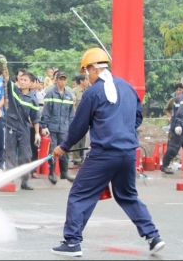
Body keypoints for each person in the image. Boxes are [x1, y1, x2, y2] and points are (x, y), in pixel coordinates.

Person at [50, 48, 165, 257]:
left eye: (87, 71)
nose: (86, 76)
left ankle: (72, 242)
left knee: (80, 194)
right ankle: (153, 236)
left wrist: (64, 146)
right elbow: (138, 117)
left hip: (103, 155)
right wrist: (122, 129)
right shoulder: (127, 87)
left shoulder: (92, 93)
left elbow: (79, 126)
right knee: (128, 196)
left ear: (94, 68)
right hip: (128, 153)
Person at [0, 55, 40, 190]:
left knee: (26, 155)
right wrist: (5, 65)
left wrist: (37, 134)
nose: (22, 81)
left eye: (25, 80)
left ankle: (25, 181)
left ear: (31, 83)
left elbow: (35, 118)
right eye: (21, 79)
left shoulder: (33, 100)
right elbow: (7, 78)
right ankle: (10, 181)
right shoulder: (13, 91)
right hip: (10, 125)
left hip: (24, 128)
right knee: (9, 153)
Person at [41, 71, 75, 184]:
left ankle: (64, 172)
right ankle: (52, 173)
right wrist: (44, 126)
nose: (63, 81)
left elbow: (71, 114)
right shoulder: (50, 93)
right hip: (52, 127)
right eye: (61, 79)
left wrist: (71, 127)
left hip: (64, 128)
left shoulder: (69, 95)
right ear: (56, 80)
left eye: (64, 79)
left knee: (65, 149)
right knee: (52, 150)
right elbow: (46, 111)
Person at [160, 83, 183, 175]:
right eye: (177, 90)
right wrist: (171, 118)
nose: (179, 91)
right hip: (176, 126)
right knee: (173, 147)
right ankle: (165, 165)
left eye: (181, 89)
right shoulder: (174, 100)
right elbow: (167, 110)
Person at [70, 74, 89, 165]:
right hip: (76, 118)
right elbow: (72, 106)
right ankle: (76, 158)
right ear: (81, 81)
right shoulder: (73, 91)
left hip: (85, 118)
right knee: (76, 140)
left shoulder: (88, 92)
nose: (87, 81)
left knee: (84, 139)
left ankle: (82, 157)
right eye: (86, 79)